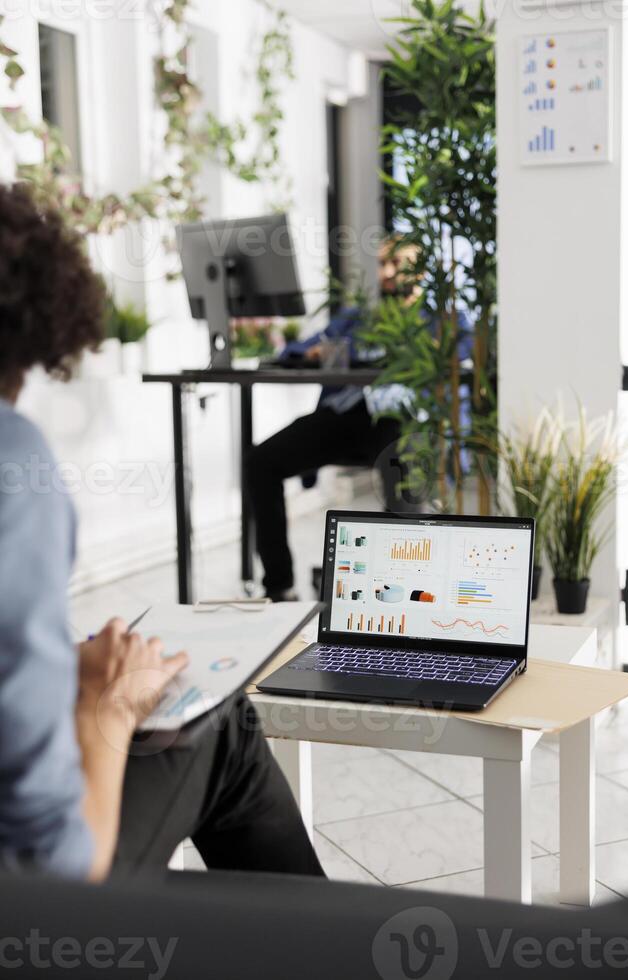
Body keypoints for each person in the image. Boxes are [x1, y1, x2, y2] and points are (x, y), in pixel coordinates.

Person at [0, 183, 323, 881]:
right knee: (223, 724)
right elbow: (56, 864)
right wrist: (108, 704)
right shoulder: (11, 462)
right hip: (28, 909)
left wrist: (53, 668)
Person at [244, 248, 473, 602]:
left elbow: (463, 349)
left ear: (421, 271)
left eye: (396, 263)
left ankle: (400, 591)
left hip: (403, 419)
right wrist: (313, 353)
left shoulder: (441, 319)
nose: (386, 272)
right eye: (380, 263)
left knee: (404, 464)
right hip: (346, 415)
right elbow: (297, 349)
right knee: (260, 461)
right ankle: (279, 586)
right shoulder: (358, 317)